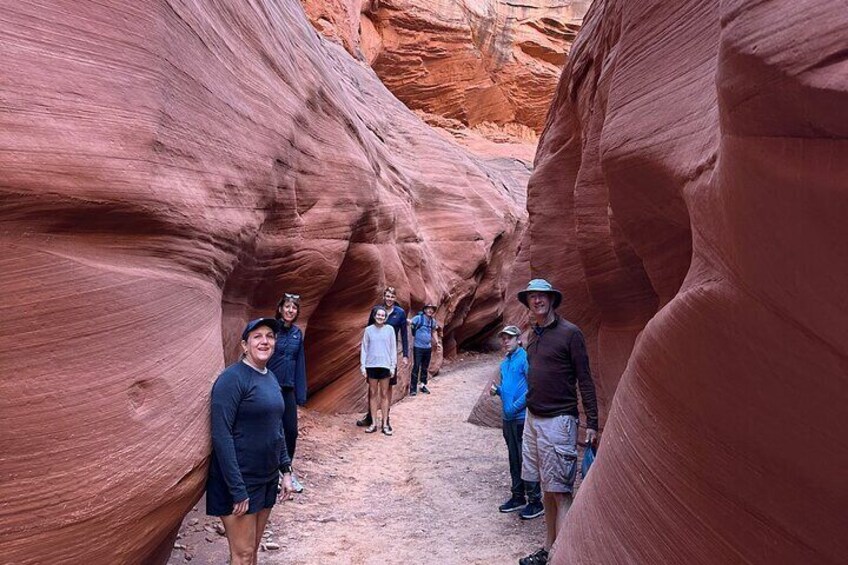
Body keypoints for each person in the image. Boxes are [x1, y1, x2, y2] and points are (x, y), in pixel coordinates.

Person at [516, 279, 599, 565]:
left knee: (561, 491)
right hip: (534, 419)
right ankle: (549, 549)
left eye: (542, 296)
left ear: (552, 300)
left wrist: (592, 422)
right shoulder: (534, 334)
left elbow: (585, 379)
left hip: (559, 421)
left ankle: (564, 557)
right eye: (532, 297)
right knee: (547, 490)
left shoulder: (570, 334)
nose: (537, 300)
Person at [207, 318, 295, 565]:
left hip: (266, 479)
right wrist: (237, 489)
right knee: (243, 554)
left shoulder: (270, 378)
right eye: (257, 336)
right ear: (245, 345)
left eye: (269, 336)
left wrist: (285, 470)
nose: (264, 341)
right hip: (239, 481)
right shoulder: (232, 379)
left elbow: (276, 428)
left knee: (252, 550)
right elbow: (221, 435)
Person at [490, 325, 543, 520]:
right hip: (508, 420)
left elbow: (532, 388)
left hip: (521, 418)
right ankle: (518, 496)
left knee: (526, 459)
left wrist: (516, 407)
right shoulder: (505, 363)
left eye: (509, 338)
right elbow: (508, 388)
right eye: (503, 338)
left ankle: (535, 501)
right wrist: (498, 391)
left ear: (518, 339)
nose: (505, 341)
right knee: (514, 458)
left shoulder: (524, 359)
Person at [267, 293, 307, 493]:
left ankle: (286, 471)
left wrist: (301, 392)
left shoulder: (297, 334)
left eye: (294, 308)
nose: (290, 310)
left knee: (290, 432)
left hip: (288, 388)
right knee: (271, 430)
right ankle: (270, 474)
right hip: (270, 386)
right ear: (280, 308)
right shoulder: (271, 330)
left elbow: (300, 362)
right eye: (288, 306)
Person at [356, 286, 409, 432]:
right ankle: (371, 418)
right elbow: (368, 332)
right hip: (374, 359)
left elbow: (404, 334)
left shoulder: (399, 313)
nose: (390, 299)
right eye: (387, 296)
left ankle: (386, 419)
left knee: (387, 390)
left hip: (387, 357)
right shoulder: (376, 311)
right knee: (372, 390)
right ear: (384, 297)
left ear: (395, 298)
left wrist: (405, 354)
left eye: (392, 296)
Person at [360, 306, 397, 435]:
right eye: (378, 315)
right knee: (373, 393)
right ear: (374, 316)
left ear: (385, 317)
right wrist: (363, 366)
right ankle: (374, 423)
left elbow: (393, 349)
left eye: (383, 315)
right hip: (372, 365)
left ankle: (385, 424)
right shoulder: (368, 330)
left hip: (385, 365)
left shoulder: (390, 330)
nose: (380, 317)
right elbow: (364, 348)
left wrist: (393, 366)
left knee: (384, 394)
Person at [409, 303, 438, 395]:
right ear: (424, 310)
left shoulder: (432, 321)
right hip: (418, 347)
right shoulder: (419, 318)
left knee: (425, 367)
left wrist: (437, 342)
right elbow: (410, 322)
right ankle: (413, 388)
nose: (430, 310)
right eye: (428, 309)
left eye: (432, 309)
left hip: (427, 347)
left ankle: (423, 385)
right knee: (416, 366)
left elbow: (433, 331)